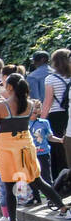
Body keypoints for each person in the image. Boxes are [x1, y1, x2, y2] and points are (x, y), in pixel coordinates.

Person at [0, 72, 68, 221]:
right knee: (37, 181)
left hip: (7, 146)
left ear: (9, 87)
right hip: (25, 145)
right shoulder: (30, 104)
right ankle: (64, 209)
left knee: (10, 185)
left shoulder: (0, 106)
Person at [43, 48, 71, 178]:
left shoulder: (50, 78)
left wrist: (41, 119)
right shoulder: (69, 78)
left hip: (55, 115)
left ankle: (60, 178)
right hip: (67, 114)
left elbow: (48, 102)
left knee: (56, 148)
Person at [29, 99, 54, 204]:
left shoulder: (44, 122)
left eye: (38, 107)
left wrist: (60, 140)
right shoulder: (24, 122)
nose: (36, 109)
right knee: (31, 176)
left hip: (43, 153)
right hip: (31, 153)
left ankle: (51, 198)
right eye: (33, 107)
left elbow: (50, 136)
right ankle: (36, 197)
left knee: (46, 176)